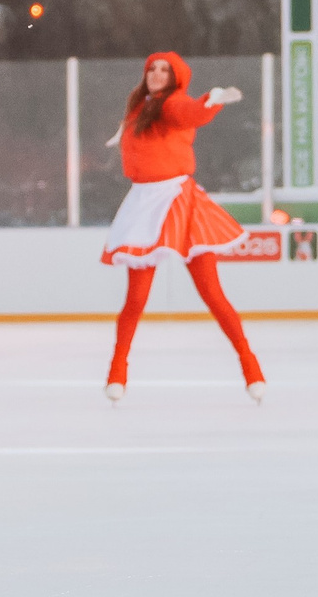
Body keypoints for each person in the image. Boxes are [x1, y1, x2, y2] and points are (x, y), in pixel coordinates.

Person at [99, 51, 265, 403]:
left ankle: (251, 367)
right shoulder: (139, 107)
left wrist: (211, 101)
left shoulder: (172, 104)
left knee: (212, 293)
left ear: (176, 77)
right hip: (145, 201)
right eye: (152, 68)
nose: (157, 74)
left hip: (177, 200)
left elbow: (190, 113)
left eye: (164, 69)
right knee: (136, 298)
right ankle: (117, 372)